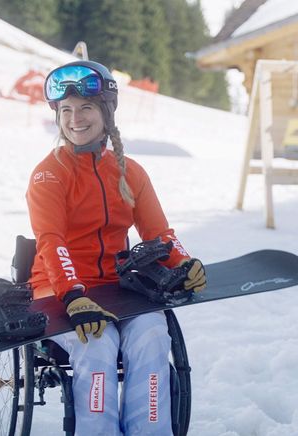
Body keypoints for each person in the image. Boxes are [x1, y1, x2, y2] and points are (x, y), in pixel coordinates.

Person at [26, 59, 206, 436]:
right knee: (97, 343)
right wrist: (73, 296)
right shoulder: (49, 174)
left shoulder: (131, 172)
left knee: (153, 333)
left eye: (86, 108)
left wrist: (184, 262)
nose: (75, 118)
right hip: (57, 291)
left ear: (106, 113)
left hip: (116, 290)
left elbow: (160, 234)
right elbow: (51, 241)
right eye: (66, 110)